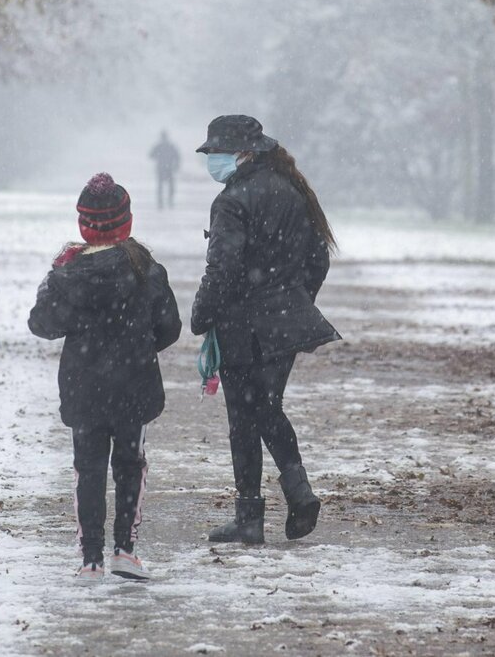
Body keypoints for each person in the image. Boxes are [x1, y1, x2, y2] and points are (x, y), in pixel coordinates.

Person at [193, 114, 339, 544]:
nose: (212, 160)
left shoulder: (231, 201)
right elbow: (319, 258)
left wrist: (201, 314)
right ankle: (296, 491)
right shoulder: (292, 191)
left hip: (242, 325)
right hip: (285, 323)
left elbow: (222, 269)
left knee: (245, 417)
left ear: (243, 153)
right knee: (267, 408)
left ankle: (251, 516)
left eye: (217, 152)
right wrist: (294, 300)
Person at [29, 173, 181, 581]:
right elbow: (169, 328)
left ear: (84, 225)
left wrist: (54, 283)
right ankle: (125, 550)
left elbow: (42, 324)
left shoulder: (68, 275)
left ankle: (91, 558)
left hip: (84, 388)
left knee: (88, 468)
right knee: (131, 464)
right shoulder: (146, 270)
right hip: (134, 387)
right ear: (126, 222)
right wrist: (137, 347)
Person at [149, 130, 181, 210]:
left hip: (163, 169)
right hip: (167, 169)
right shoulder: (170, 146)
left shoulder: (160, 146)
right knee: (168, 186)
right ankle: (167, 201)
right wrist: (176, 165)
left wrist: (158, 156)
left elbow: (151, 155)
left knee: (163, 186)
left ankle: (163, 202)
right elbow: (177, 157)